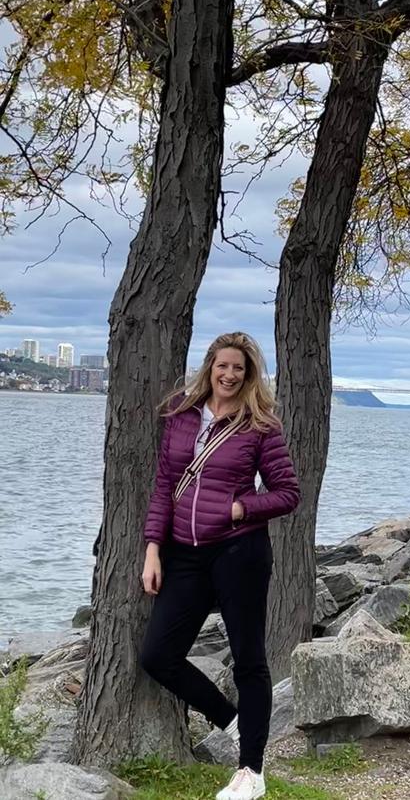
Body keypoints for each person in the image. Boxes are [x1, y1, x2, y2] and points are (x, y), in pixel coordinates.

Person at [140, 332, 300, 800]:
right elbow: (164, 485)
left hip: (238, 552)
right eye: (222, 366)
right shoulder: (181, 415)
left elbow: (288, 493)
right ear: (209, 366)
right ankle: (232, 721)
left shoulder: (260, 426)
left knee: (250, 660)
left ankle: (252, 770)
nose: (229, 375)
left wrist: (239, 509)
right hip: (183, 554)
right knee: (158, 656)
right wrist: (153, 548)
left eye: (240, 369)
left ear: (250, 375)